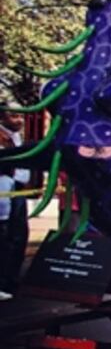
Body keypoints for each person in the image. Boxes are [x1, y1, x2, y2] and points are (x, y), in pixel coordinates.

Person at [0, 111, 30, 301]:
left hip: (18, 193)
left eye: (20, 116)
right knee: (3, 241)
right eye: (13, 116)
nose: (19, 120)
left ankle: (11, 280)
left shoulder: (17, 137)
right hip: (3, 195)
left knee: (18, 238)